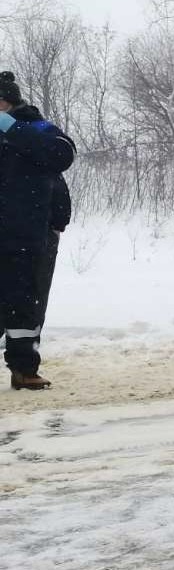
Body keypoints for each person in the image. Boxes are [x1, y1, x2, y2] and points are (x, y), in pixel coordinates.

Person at [0, 70, 76, 390]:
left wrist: (11, 128)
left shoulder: (35, 127)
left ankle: (24, 370)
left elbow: (64, 153)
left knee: (24, 308)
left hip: (27, 237)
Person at [32, 174, 70, 340]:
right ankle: (29, 336)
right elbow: (62, 203)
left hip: (36, 234)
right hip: (43, 235)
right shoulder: (48, 162)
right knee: (37, 291)